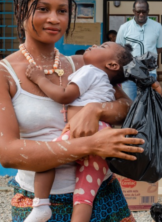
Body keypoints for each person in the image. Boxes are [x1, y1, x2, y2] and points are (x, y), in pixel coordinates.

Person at [0, 0, 144, 221]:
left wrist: (96, 110)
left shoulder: (83, 65)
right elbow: (8, 153)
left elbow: (126, 106)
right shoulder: (0, 75)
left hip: (103, 194)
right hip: (40, 204)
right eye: (43, 8)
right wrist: (89, 145)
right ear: (21, 10)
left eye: (63, 11)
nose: (54, 19)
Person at [24, 42, 136, 222]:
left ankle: (41, 204)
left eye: (103, 46)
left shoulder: (90, 71)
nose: (94, 44)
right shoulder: (106, 81)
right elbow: (128, 104)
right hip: (101, 137)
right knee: (84, 197)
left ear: (112, 65)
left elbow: (64, 95)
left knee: (45, 159)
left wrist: (39, 79)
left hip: (83, 132)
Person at [116, 0, 162, 100]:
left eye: (144, 11)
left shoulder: (157, 27)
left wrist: (149, 57)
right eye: (138, 11)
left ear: (148, 11)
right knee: (130, 105)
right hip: (130, 75)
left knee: (148, 105)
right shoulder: (124, 28)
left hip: (149, 73)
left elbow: (161, 47)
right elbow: (118, 49)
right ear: (133, 11)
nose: (141, 14)